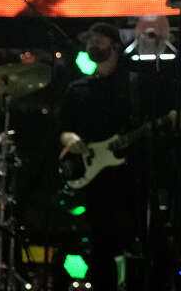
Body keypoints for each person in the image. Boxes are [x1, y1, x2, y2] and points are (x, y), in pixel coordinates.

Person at [59, 22, 166, 290]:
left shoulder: (134, 84)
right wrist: (69, 139)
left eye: (98, 39)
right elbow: (62, 130)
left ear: (115, 46)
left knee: (139, 247)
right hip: (96, 184)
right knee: (101, 250)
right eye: (89, 40)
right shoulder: (77, 90)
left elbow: (153, 122)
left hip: (132, 181)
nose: (92, 44)